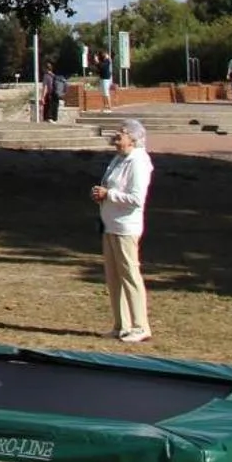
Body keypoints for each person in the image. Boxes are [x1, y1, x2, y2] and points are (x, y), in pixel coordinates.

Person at [92, 118, 154, 343]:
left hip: (126, 227)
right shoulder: (118, 159)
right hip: (110, 224)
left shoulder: (139, 162)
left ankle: (140, 326)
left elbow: (136, 199)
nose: (117, 137)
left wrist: (109, 195)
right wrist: (101, 194)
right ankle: (121, 325)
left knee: (129, 275)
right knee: (113, 276)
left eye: (122, 134)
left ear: (133, 139)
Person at [91, 47, 114, 112]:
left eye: (104, 54)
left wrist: (97, 61)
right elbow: (99, 67)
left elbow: (102, 66)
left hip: (106, 79)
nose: (103, 55)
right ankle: (105, 107)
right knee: (103, 93)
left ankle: (109, 108)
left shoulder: (107, 61)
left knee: (106, 93)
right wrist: (96, 62)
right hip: (102, 78)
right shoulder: (104, 60)